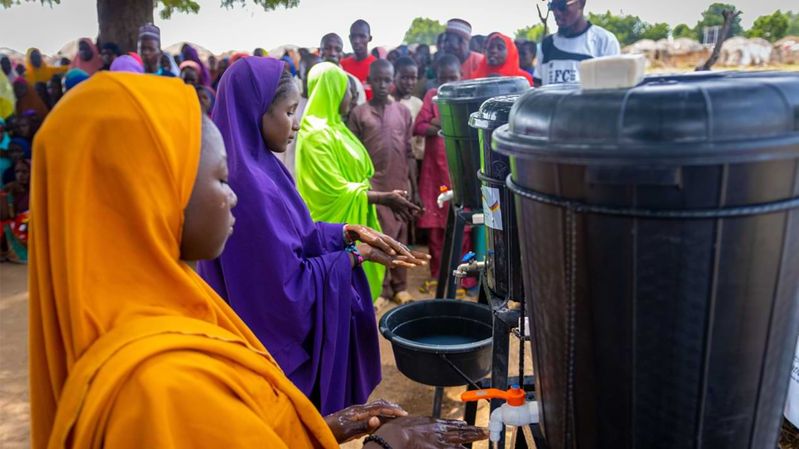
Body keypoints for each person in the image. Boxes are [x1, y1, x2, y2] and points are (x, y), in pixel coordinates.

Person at [28, 71, 486, 449]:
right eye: (221, 179)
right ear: (156, 195)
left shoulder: (178, 314)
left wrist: (323, 428)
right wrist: (387, 445)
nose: (233, 196)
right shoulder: (157, 385)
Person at [198, 57, 425, 414]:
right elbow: (283, 293)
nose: (297, 124)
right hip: (267, 352)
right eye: (289, 112)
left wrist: (347, 232)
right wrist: (353, 257)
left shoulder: (264, 166)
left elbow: (296, 234)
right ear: (257, 112)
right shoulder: (249, 187)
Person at [295, 62, 421, 300]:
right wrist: (383, 198)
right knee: (339, 293)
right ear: (333, 90)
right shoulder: (315, 134)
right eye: (347, 89)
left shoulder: (337, 127)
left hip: (362, 208)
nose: (352, 95)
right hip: (334, 223)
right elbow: (334, 191)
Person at [348, 59, 422, 305]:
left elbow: (409, 152)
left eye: (386, 80)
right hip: (374, 188)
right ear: (369, 81)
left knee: (400, 236)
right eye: (377, 80)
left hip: (399, 185)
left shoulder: (402, 111)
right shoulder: (359, 113)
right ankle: (381, 290)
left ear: (392, 81)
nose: (382, 85)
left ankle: (400, 286)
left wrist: (415, 188)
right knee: (376, 238)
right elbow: (353, 155)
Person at [413, 54, 466, 284]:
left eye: (453, 77)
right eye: (444, 78)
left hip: (461, 173)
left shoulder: (466, 95)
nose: (449, 83)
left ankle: (465, 278)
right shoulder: (431, 96)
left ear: (461, 77)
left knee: (463, 228)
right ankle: (438, 274)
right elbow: (419, 126)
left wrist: (438, 123)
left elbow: (467, 126)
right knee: (436, 229)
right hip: (435, 173)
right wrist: (443, 125)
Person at [534, 0, 620, 86]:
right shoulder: (547, 44)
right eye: (552, 6)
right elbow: (538, 86)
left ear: (581, 3)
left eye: (561, 6)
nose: (557, 13)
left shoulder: (604, 41)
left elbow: (614, 89)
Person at [392, 57, 425, 161]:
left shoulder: (418, 103)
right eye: (404, 78)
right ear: (394, 76)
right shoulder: (387, 102)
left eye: (413, 78)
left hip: (414, 159)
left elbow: (421, 138)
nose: (409, 82)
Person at [320, 33, 366, 106]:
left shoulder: (353, 83)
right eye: (327, 48)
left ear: (342, 54)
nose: (333, 53)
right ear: (320, 51)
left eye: (338, 49)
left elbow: (360, 113)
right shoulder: (308, 78)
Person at [0, 158, 29, 263]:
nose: (20, 175)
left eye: (25, 172)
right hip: (15, 223)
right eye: (17, 172)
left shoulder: (37, 189)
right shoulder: (11, 188)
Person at [341, 20, 377, 100]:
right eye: (353, 36)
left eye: (362, 36)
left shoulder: (377, 66)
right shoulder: (341, 66)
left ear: (369, 38)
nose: (357, 41)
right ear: (349, 38)